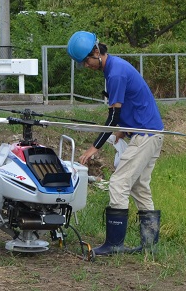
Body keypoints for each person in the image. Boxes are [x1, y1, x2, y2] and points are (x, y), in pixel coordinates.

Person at [67, 31, 164, 255]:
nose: (86, 67)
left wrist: (95, 147)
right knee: (139, 187)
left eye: (86, 62)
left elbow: (113, 117)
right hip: (150, 133)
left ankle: (114, 245)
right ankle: (149, 246)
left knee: (118, 183)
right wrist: (122, 131)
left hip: (145, 136)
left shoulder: (116, 74)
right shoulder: (114, 68)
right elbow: (132, 104)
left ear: (96, 52)